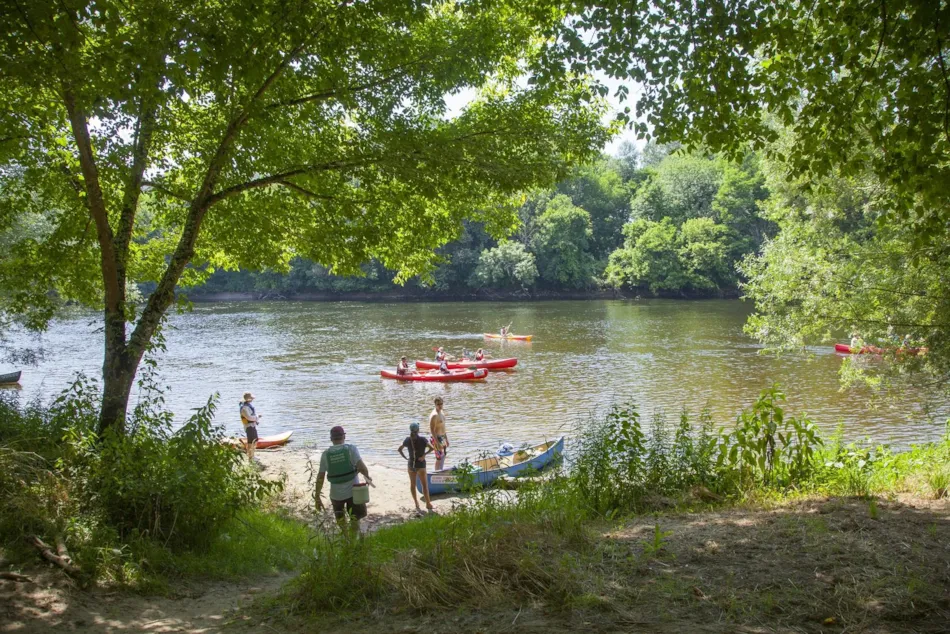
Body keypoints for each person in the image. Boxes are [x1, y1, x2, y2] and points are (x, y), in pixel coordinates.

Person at [314, 426, 373, 533]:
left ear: (331, 439)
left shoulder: (325, 455)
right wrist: (367, 477)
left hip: (336, 495)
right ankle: (354, 538)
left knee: (341, 521)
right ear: (344, 436)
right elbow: (363, 468)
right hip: (353, 493)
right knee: (355, 520)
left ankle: (345, 538)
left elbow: (320, 477)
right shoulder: (351, 449)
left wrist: (317, 496)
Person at [398, 422, 435, 516]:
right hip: (421, 465)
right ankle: (428, 504)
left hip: (411, 465)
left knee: (412, 484)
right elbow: (432, 448)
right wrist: (424, 455)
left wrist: (406, 458)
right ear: (418, 430)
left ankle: (416, 503)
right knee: (424, 485)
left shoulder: (407, 440)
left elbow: (399, 449)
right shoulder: (423, 440)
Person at [428, 396, 449, 470]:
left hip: (442, 437)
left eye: (441, 404)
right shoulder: (434, 415)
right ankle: (436, 472)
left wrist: (446, 439)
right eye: (438, 404)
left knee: (444, 454)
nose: (440, 406)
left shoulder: (442, 412)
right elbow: (432, 429)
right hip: (436, 437)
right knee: (439, 457)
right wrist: (437, 442)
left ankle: (441, 469)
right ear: (435, 404)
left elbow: (443, 427)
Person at [239, 392, 260, 461]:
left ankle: (252, 456)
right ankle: (251, 457)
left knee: (254, 440)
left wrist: (256, 418)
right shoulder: (244, 408)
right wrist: (257, 417)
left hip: (252, 425)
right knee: (251, 442)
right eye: (251, 398)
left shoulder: (247, 406)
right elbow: (249, 418)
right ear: (248, 399)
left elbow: (251, 416)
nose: (252, 399)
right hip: (249, 426)